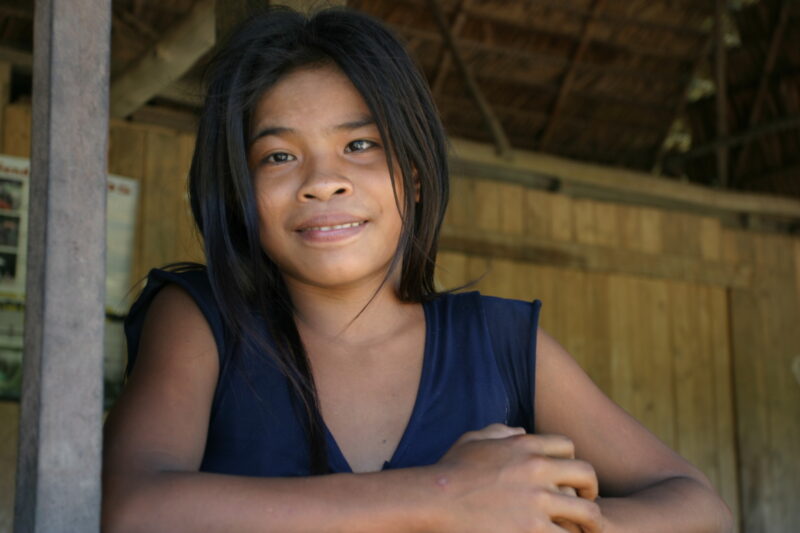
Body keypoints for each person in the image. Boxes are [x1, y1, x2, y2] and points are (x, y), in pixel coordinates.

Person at [101, 6, 733, 532]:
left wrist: (558, 520)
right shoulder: (203, 320)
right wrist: (443, 495)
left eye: (359, 146)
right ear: (240, 192)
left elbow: (699, 505)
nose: (323, 182)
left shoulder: (498, 342)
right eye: (280, 155)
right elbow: (131, 510)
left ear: (417, 175)